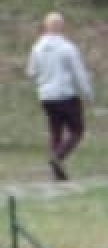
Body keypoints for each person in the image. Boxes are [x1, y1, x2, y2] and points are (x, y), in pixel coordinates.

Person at [27, 13, 93, 181]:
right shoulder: (67, 47)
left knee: (55, 131)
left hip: (46, 96)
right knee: (77, 130)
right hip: (65, 94)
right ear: (61, 27)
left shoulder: (37, 47)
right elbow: (79, 72)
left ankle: (57, 170)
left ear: (45, 27)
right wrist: (87, 93)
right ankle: (58, 156)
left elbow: (32, 72)